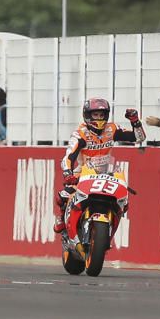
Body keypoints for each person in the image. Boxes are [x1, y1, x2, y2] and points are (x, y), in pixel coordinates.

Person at [54, 97, 145, 237]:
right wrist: (68, 173)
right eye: (95, 114)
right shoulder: (80, 134)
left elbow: (139, 138)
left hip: (106, 173)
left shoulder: (112, 129)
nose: (99, 118)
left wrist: (135, 122)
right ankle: (61, 216)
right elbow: (68, 156)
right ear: (87, 115)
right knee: (64, 195)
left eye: (102, 115)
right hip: (83, 173)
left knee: (124, 202)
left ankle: (109, 226)